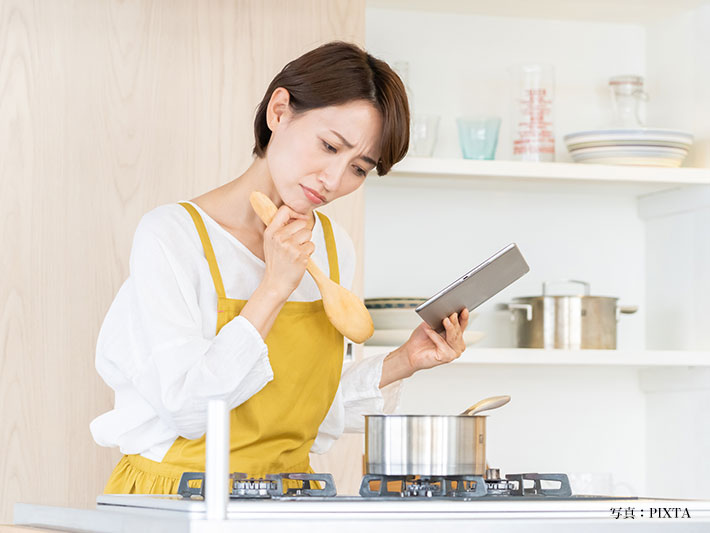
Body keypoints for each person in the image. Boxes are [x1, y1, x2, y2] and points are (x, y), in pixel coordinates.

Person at [90, 41, 470, 494]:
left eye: (359, 168)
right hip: (178, 496)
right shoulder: (172, 236)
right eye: (329, 146)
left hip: (288, 500)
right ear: (279, 111)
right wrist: (273, 288)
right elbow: (188, 410)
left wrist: (405, 361)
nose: (333, 180)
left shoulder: (332, 247)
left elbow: (308, 413)